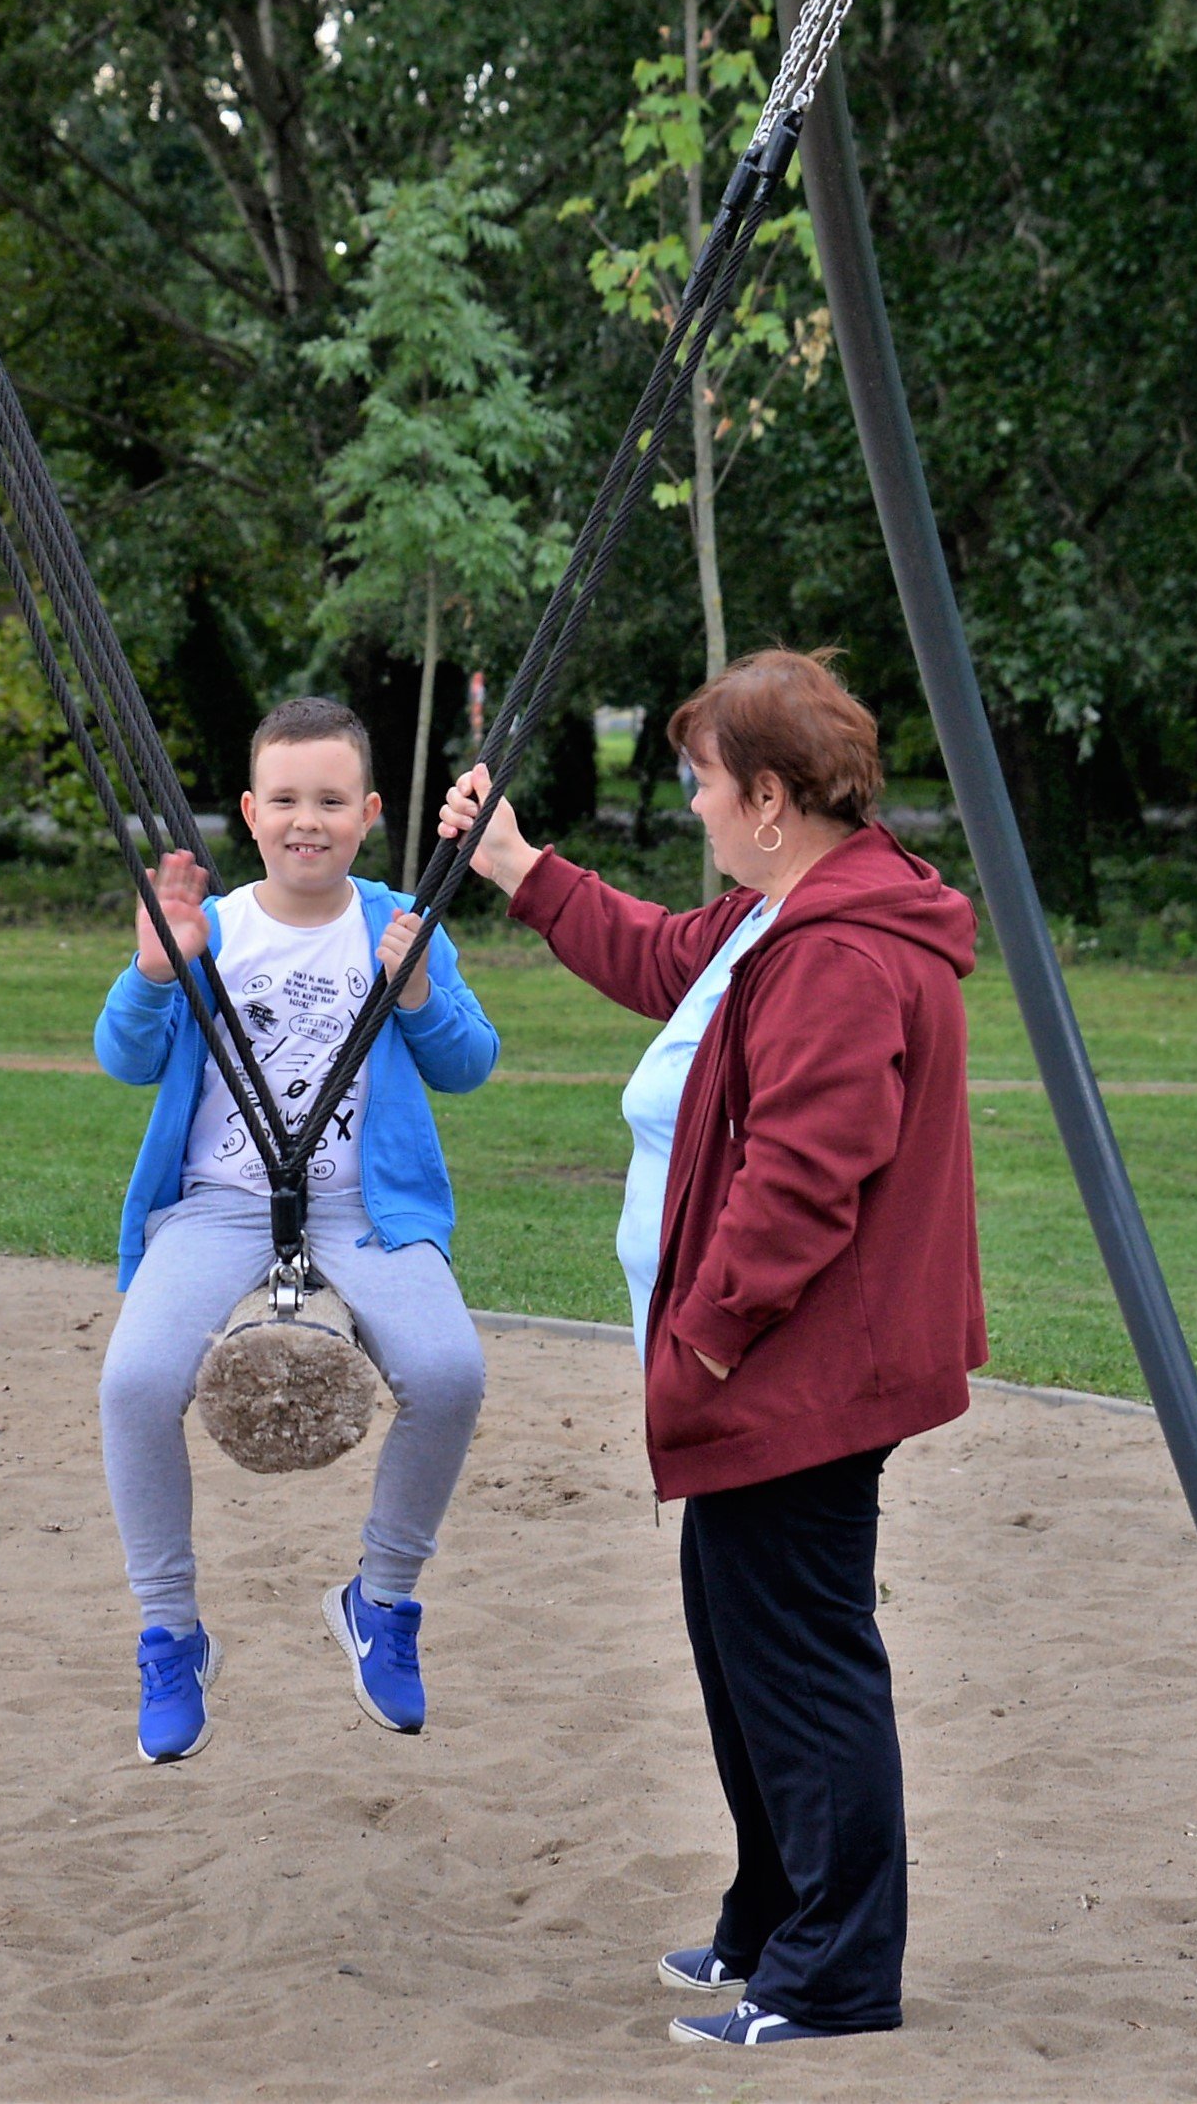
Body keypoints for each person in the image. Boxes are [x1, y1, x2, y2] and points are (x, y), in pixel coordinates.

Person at [440, 647, 985, 2049]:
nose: (687, 805)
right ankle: (770, 1912)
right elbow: (662, 956)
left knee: (799, 1653)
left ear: (767, 797)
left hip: (793, 1366)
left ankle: (837, 1972)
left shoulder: (840, 950)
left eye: (698, 782)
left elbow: (808, 1174)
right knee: (740, 1637)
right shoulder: (779, 917)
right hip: (763, 1362)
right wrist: (518, 865)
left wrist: (710, 1337)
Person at [95, 695, 497, 1762]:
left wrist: (415, 993)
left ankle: (382, 1600)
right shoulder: (214, 928)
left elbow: (469, 1063)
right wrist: (152, 970)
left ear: (366, 812)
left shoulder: (400, 920)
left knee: (450, 1371)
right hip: (220, 1197)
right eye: (284, 799)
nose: (304, 819)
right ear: (249, 810)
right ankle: (172, 1635)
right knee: (135, 1383)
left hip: (365, 1203)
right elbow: (125, 1058)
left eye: (328, 799)